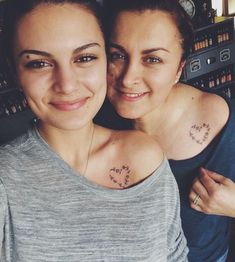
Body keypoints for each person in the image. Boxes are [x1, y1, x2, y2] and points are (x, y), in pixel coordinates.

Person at [0, 0, 188, 261]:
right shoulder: (6, 179)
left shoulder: (145, 157)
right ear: (14, 73)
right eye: (39, 63)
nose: (66, 84)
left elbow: (175, 254)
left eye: (85, 58)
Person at [101, 0, 235, 261]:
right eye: (117, 55)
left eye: (153, 59)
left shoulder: (225, 123)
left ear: (179, 68)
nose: (128, 78)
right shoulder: (89, 120)